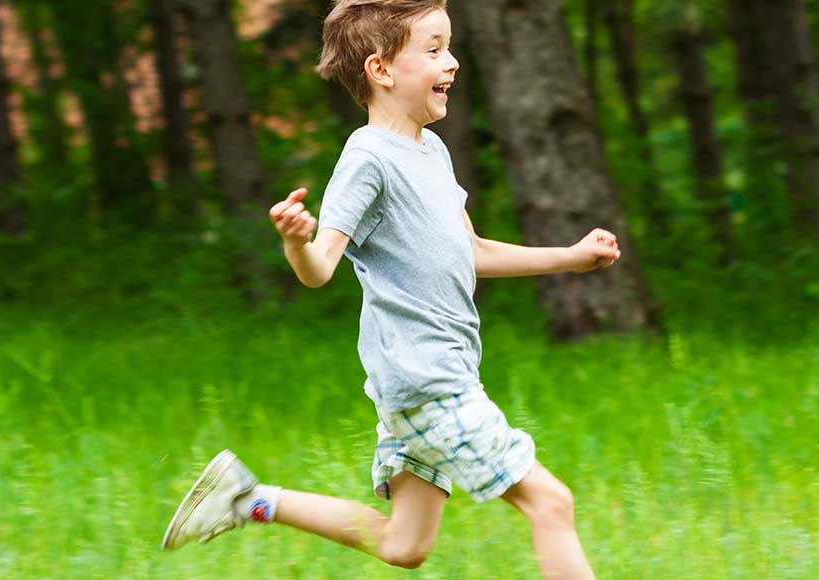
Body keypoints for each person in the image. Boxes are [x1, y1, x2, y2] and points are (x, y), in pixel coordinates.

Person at [161, 1, 619, 577]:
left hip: (422, 380)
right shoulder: (369, 158)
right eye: (433, 50)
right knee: (551, 503)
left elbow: (471, 251)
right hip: (430, 381)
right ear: (381, 70)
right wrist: (296, 242)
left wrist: (571, 259)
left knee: (406, 545)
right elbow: (320, 267)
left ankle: (249, 499)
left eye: (448, 46)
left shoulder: (431, 151)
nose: (451, 61)